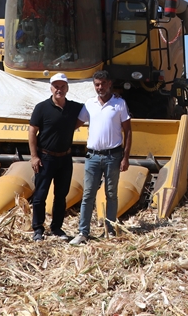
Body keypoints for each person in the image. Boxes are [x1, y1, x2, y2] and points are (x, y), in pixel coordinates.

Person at [70, 70, 132, 245]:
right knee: (88, 194)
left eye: (103, 83)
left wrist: (126, 157)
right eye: (97, 84)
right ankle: (83, 232)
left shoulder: (119, 104)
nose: (100, 87)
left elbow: (128, 131)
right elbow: (76, 124)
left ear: (109, 83)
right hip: (93, 157)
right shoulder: (89, 104)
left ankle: (110, 230)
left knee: (111, 194)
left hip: (113, 156)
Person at [28, 72, 84, 241]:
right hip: (45, 158)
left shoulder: (75, 108)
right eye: (56, 86)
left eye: (62, 87)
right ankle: (38, 228)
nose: (59, 89)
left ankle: (57, 228)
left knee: (61, 195)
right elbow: (32, 131)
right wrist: (34, 156)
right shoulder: (41, 108)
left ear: (67, 88)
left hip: (65, 159)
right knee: (40, 195)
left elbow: (89, 111)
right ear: (51, 88)